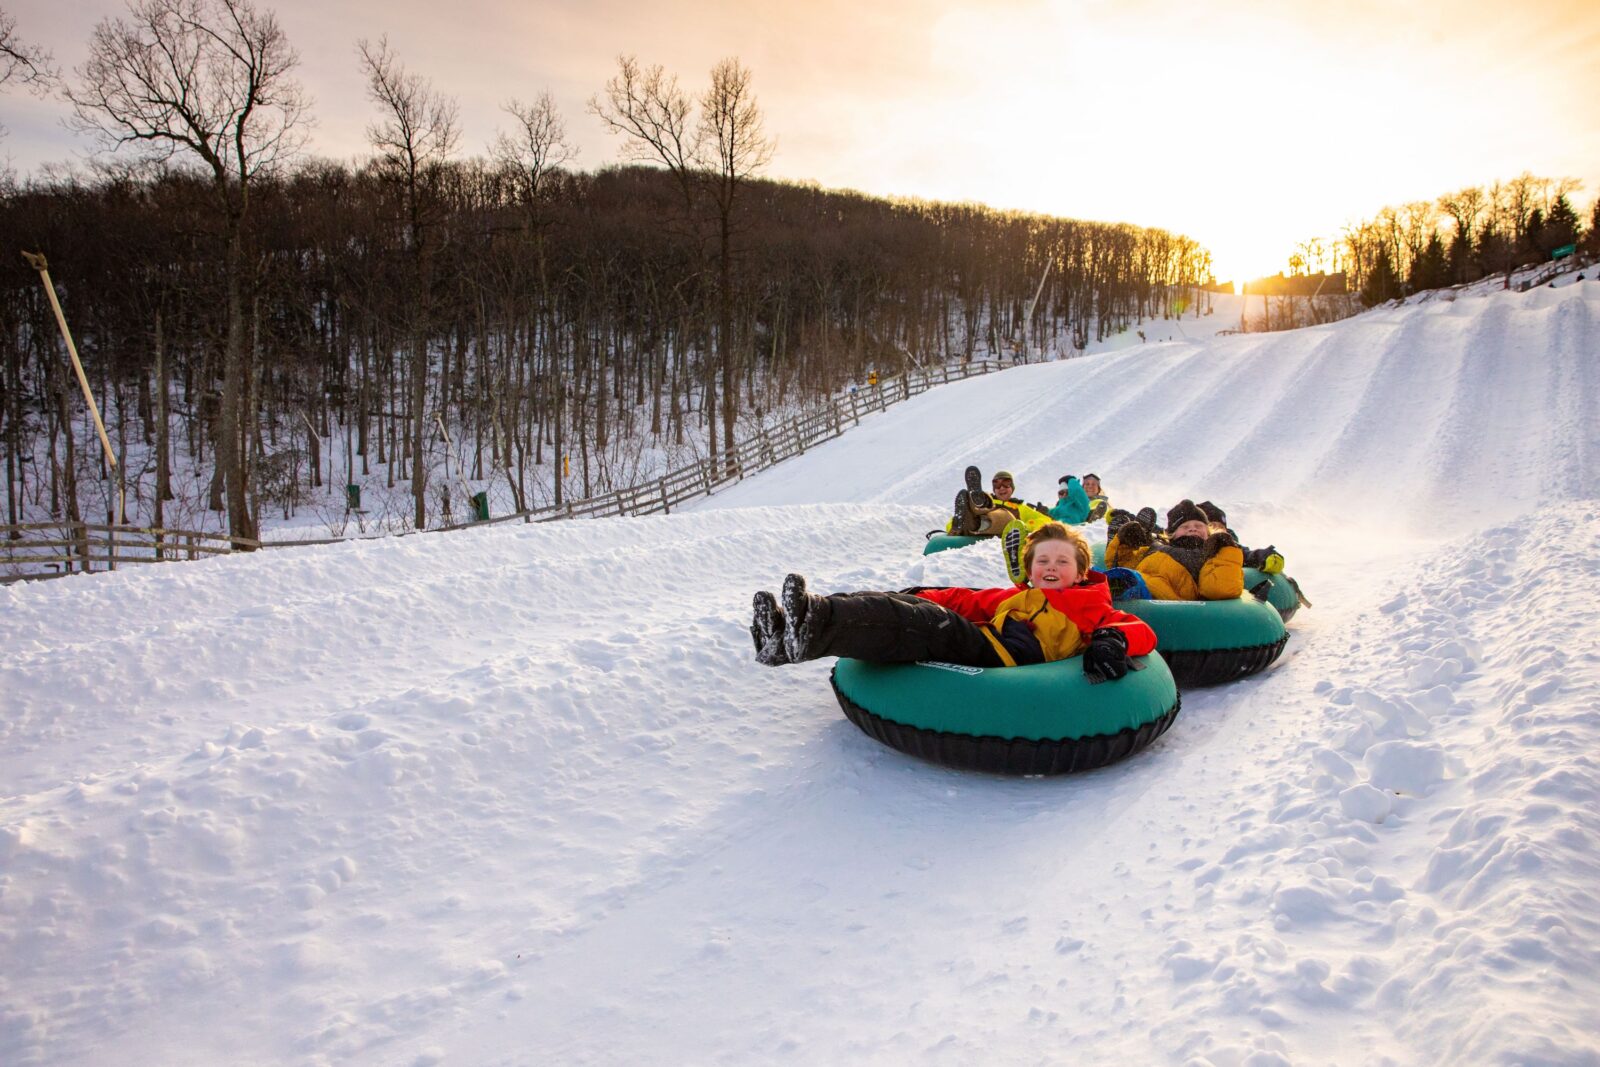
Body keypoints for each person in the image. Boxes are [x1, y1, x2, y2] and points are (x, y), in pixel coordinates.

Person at [751, 523, 1156, 679]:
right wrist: (919, 593)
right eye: (1042, 561)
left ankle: (815, 622)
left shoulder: (1091, 605)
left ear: (1081, 571)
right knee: (909, 607)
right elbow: (968, 598)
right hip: (984, 641)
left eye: (1061, 561)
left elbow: (1136, 629)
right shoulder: (1020, 596)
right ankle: (788, 631)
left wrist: (1112, 641)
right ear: (1030, 570)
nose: (1051, 567)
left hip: (1004, 658)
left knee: (926, 622)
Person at [1103, 499, 1245, 601]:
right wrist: (1125, 545)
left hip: (1160, 595)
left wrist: (1226, 550)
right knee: (1107, 577)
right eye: (1184, 526)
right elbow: (1121, 563)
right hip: (1137, 579)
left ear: (1208, 532)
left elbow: (1218, 588)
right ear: (1172, 534)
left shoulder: (1209, 555)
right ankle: (1122, 539)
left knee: (1126, 583)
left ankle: (1114, 588)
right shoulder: (1156, 546)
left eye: (1199, 525)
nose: (1192, 528)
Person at [950, 467, 1053, 537]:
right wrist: (953, 527)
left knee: (1006, 517)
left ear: (1012, 488)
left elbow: (1046, 520)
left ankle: (976, 519)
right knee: (986, 505)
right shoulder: (991, 501)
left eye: (1006, 484)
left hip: (1001, 530)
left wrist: (1025, 526)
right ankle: (975, 506)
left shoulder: (1021, 507)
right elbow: (952, 522)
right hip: (974, 530)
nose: (1001, 488)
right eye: (997, 486)